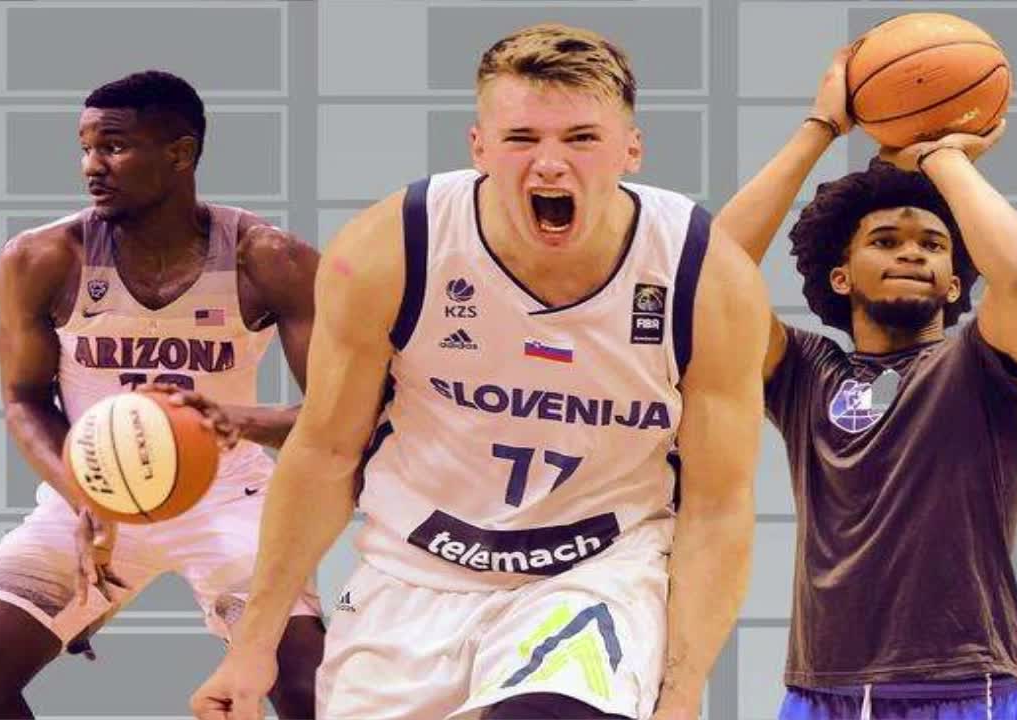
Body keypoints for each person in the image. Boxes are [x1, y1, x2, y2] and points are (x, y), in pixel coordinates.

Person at [190, 23, 769, 720]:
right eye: (522, 138)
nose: (550, 164)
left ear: (632, 149)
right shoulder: (391, 247)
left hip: (597, 570)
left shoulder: (705, 277)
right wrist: (252, 648)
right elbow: (325, 453)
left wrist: (681, 693)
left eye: (581, 138)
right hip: (412, 572)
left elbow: (717, 505)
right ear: (479, 147)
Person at [0, 70, 325, 719]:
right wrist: (85, 497)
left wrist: (236, 420)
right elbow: (24, 399)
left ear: (180, 153)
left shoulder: (269, 258)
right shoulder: (42, 257)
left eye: (113, 147)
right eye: (86, 148)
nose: (93, 166)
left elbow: (339, 416)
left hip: (229, 497)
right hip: (90, 494)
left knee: (309, 688)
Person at [715, 48, 1017, 718]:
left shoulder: (982, 369)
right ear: (840, 276)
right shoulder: (807, 374)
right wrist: (819, 128)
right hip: (822, 690)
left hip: (968, 686)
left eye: (933, 245)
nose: (911, 251)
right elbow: (709, 271)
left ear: (954, 283)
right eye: (885, 240)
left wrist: (941, 157)